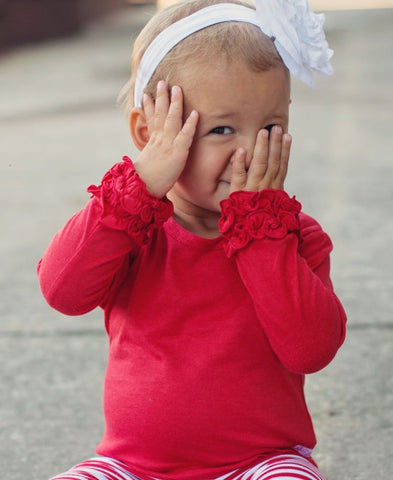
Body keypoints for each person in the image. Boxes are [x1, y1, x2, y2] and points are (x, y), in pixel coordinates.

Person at [37, 0, 347, 479]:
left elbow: (311, 350)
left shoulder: (294, 237)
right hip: (131, 466)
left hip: (259, 462)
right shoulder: (131, 231)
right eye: (222, 128)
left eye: (270, 127)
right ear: (150, 133)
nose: (248, 150)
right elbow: (63, 292)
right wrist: (137, 187)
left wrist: (260, 232)